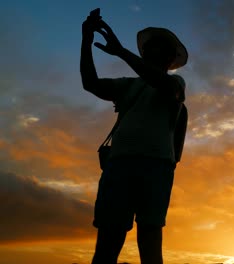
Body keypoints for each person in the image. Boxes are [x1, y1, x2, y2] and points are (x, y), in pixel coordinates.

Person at [80, 11, 188, 264]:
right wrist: (86, 39)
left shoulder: (176, 83)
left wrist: (120, 51)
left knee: (150, 242)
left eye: (158, 46)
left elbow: (164, 86)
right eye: (150, 46)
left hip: (157, 166)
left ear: (170, 57)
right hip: (119, 165)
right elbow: (90, 83)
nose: (151, 50)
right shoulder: (128, 85)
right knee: (107, 242)